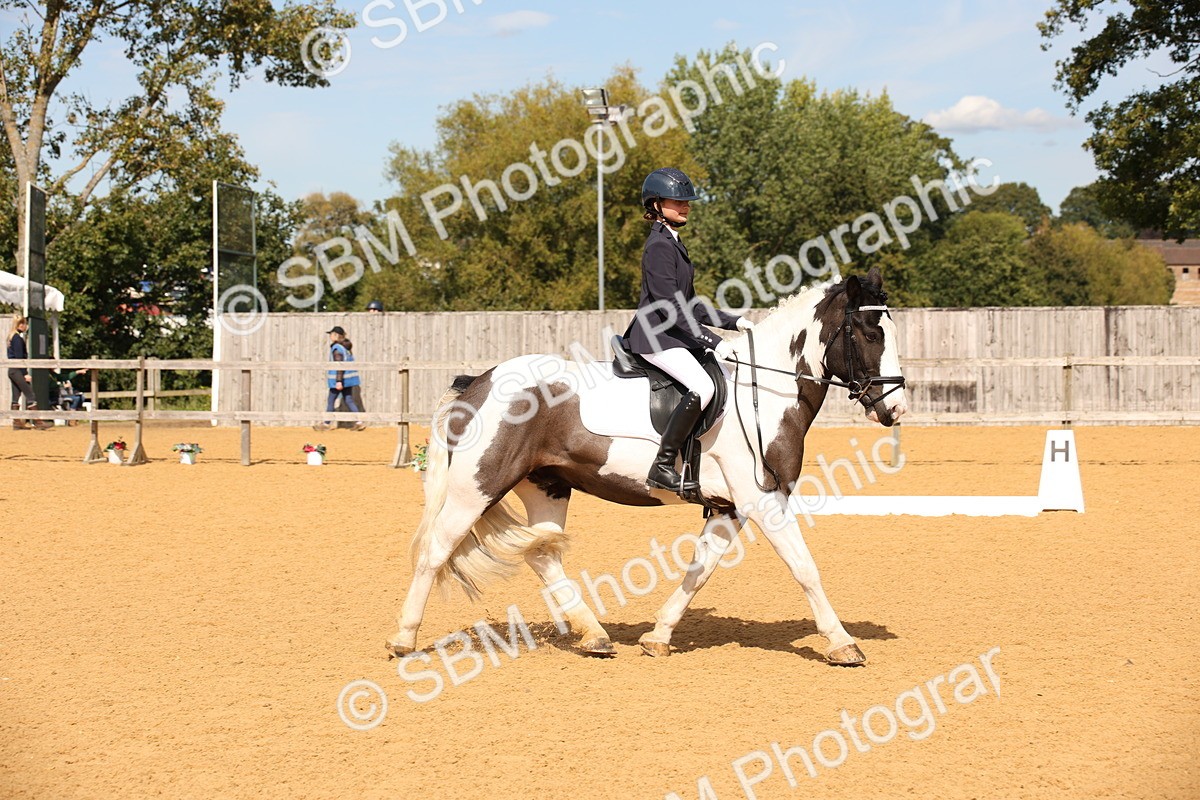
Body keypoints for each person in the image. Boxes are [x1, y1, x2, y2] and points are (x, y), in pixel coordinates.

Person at [623, 168, 754, 493]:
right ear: (655, 203)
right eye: (676, 200)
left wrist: (732, 321)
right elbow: (671, 306)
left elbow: (691, 304)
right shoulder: (659, 247)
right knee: (703, 386)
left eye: (687, 202)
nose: (685, 206)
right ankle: (663, 465)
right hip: (655, 337)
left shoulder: (673, 243)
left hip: (672, 334)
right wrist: (714, 340)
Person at [315, 326, 365, 432]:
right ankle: (359, 422)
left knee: (331, 401)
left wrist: (338, 381)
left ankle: (326, 424)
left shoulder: (337, 348)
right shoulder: (346, 348)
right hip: (349, 380)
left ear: (336, 335)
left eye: (332, 334)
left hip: (339, 380)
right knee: (349, 400)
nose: (330, 336)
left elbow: (339, 365)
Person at [6, 314, 52, 430]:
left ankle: (16, 422)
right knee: (30, 394)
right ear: (20, 324)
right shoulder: (17, 338)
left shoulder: (11, 337)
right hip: (17, 370)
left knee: (16, 396)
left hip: (12, 370)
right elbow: (19, 357)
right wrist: (24, 373)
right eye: (24, 324)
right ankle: (38, 421)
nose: (26, 326)